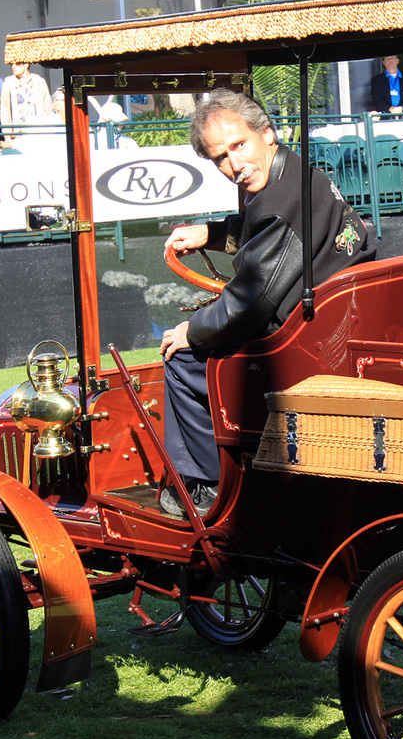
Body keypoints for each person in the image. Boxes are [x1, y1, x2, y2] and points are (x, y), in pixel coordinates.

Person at [155, 89, 374, 519]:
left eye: (238, 146)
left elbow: (250, 304)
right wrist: (212, 234)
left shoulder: (277, 203)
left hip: (304, 351)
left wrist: (192, 330)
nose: (234, 165)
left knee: (180, 360)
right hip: (343, 329)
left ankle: (204, 486)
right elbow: (269, 237)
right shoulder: (300, 175)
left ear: (266, 133)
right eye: (220, 157)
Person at [0, 61, 50, 142]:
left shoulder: (39, 81)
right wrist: (7, 133)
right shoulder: (8, 83)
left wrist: (47, 128)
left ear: (26, 64)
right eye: (11, 64)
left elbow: (47, 106)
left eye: (17, 64)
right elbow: (5, 109)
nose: (13, 67)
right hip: (18, 132)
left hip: (38, 130)